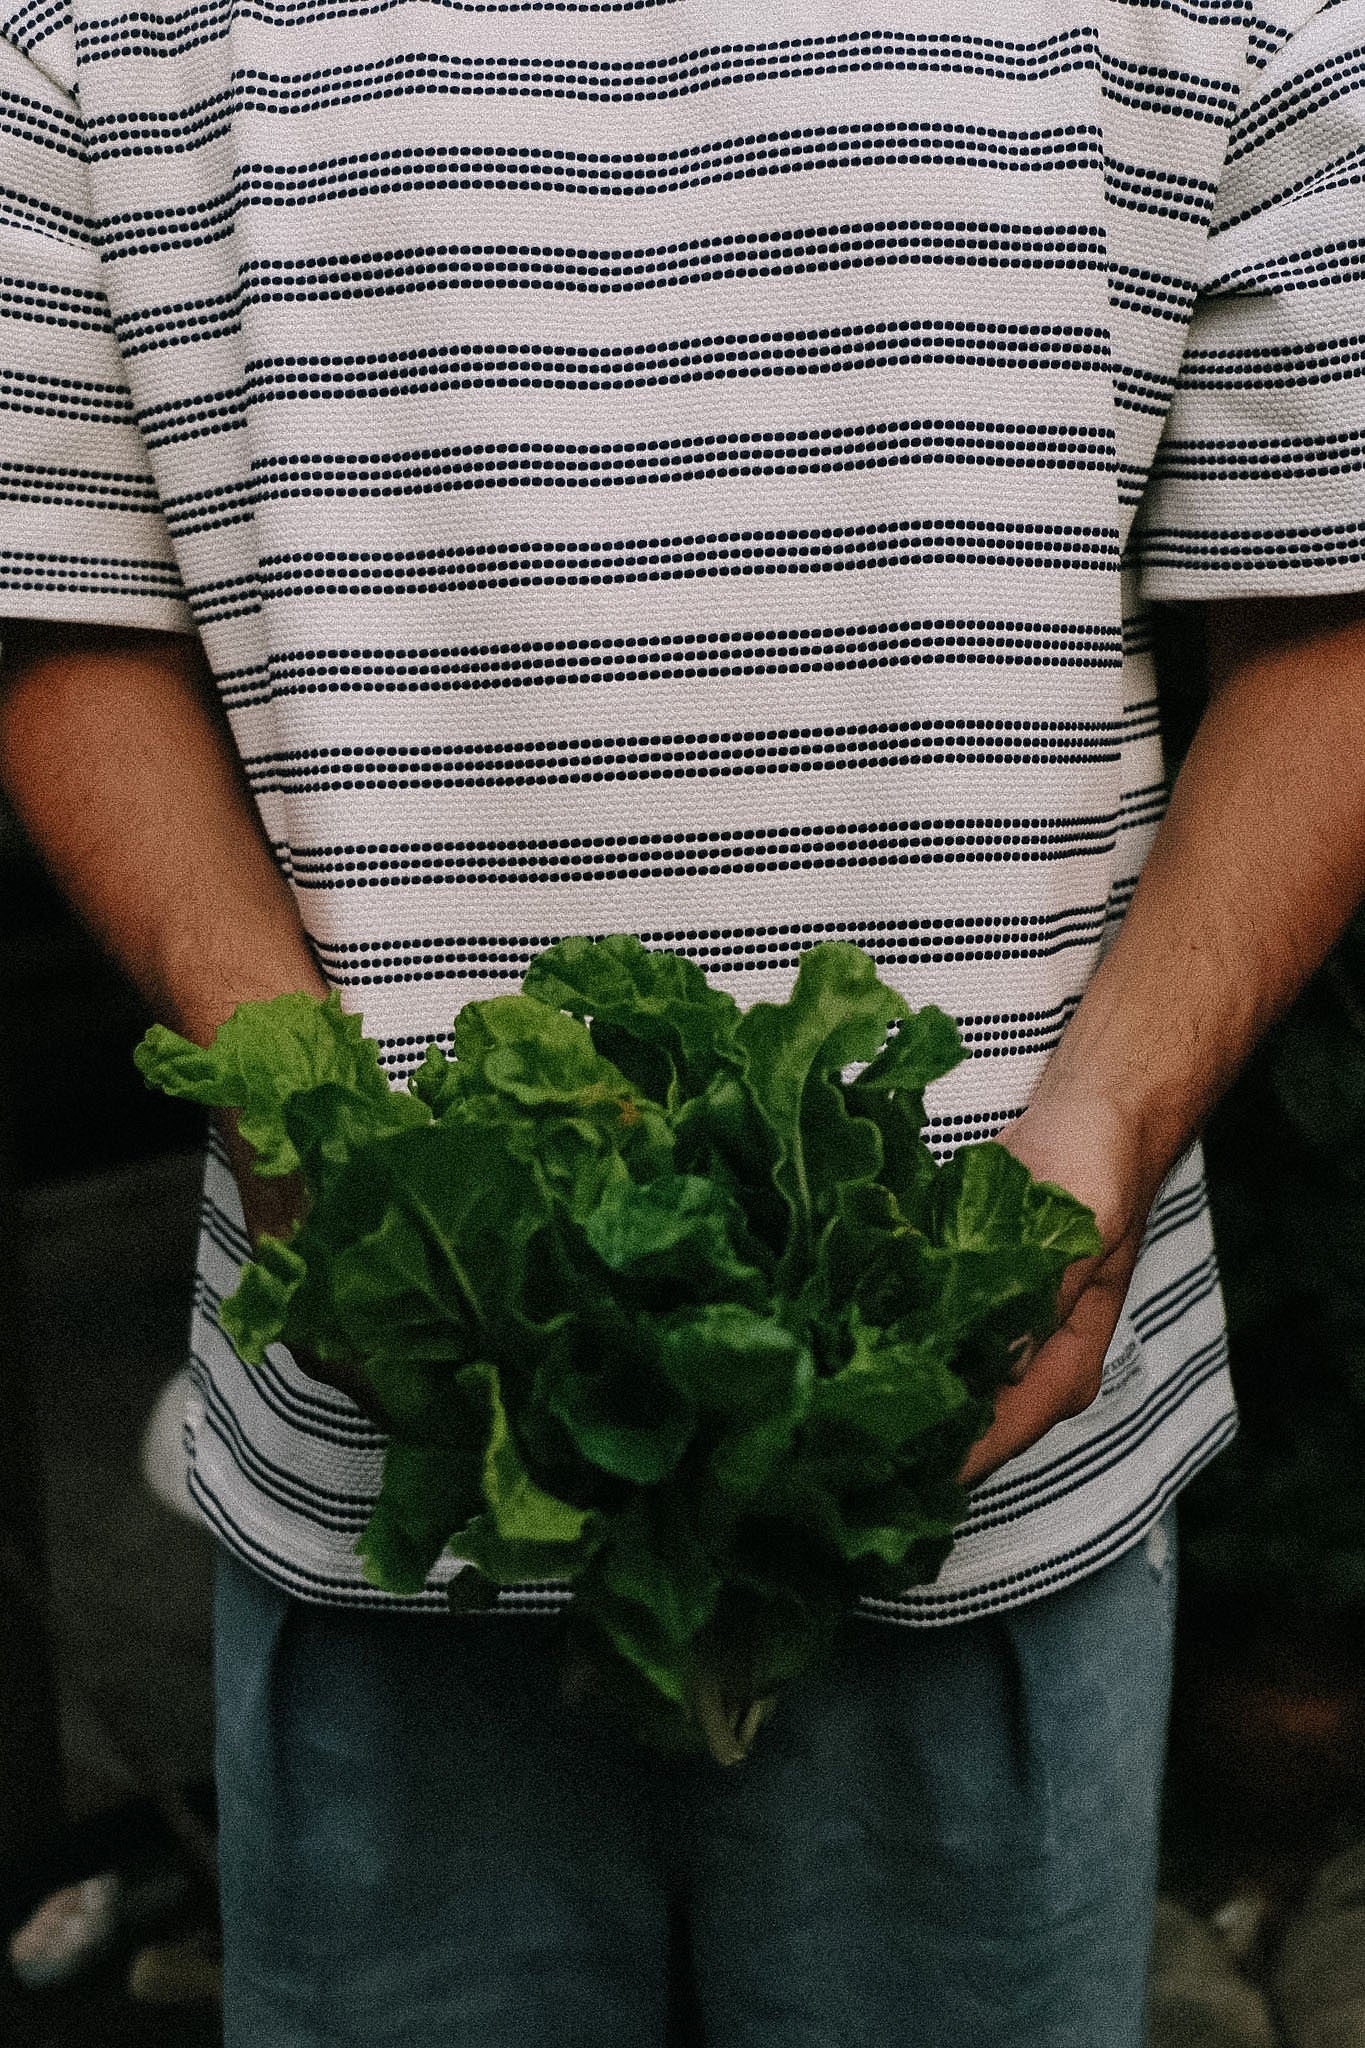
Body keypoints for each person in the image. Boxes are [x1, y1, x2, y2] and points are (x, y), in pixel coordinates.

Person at [0, 0, 1362, 2039]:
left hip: (968, 1467)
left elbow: (1327, 609)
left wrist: (1098, 1126)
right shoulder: (88, 28)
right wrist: (306, 1113)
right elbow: (64, 596)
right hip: (395, 1491)